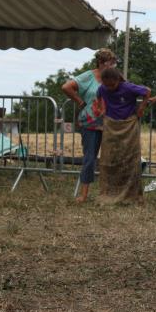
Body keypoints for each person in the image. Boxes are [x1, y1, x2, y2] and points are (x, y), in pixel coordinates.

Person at [61, 48, 118, 203]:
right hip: (90, 123)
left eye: (114, 63)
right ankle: (84, 194)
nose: (113, 66)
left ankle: (112, 192)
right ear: (100, 62)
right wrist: (80, 101)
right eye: (110, 63)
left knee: (112, 157)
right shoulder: (88, 76)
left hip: (109, 123)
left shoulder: (114, 77)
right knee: (90, 158)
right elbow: (66, 87)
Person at [93, 68, 150, 205]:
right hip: (111, 124)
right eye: (107, 85)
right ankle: (110, 191)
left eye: (112, 85)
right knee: (110, 157)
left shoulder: (128, 87)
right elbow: (98, 96)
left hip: (129, 124)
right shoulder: (102, 88)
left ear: (118, 80)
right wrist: (101, 109)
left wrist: (142, 107)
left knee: (130, 157)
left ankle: (132, 193)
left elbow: (147, 91)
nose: (110, 88)